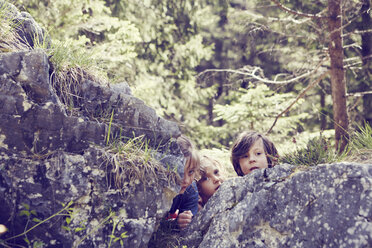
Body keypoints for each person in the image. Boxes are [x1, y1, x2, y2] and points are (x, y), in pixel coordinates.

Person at [177, 155, 224, 229]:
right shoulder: (195, 206)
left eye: (216, 172)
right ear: (198, 188)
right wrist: (183, 220)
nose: (216, 179)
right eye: (206, 178)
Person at [166, 135, 200, 222]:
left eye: (191, 172)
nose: (186, 180)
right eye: (179, 172)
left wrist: (183, 221)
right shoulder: (156, 185)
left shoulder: (191, 189)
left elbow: (188, 222)